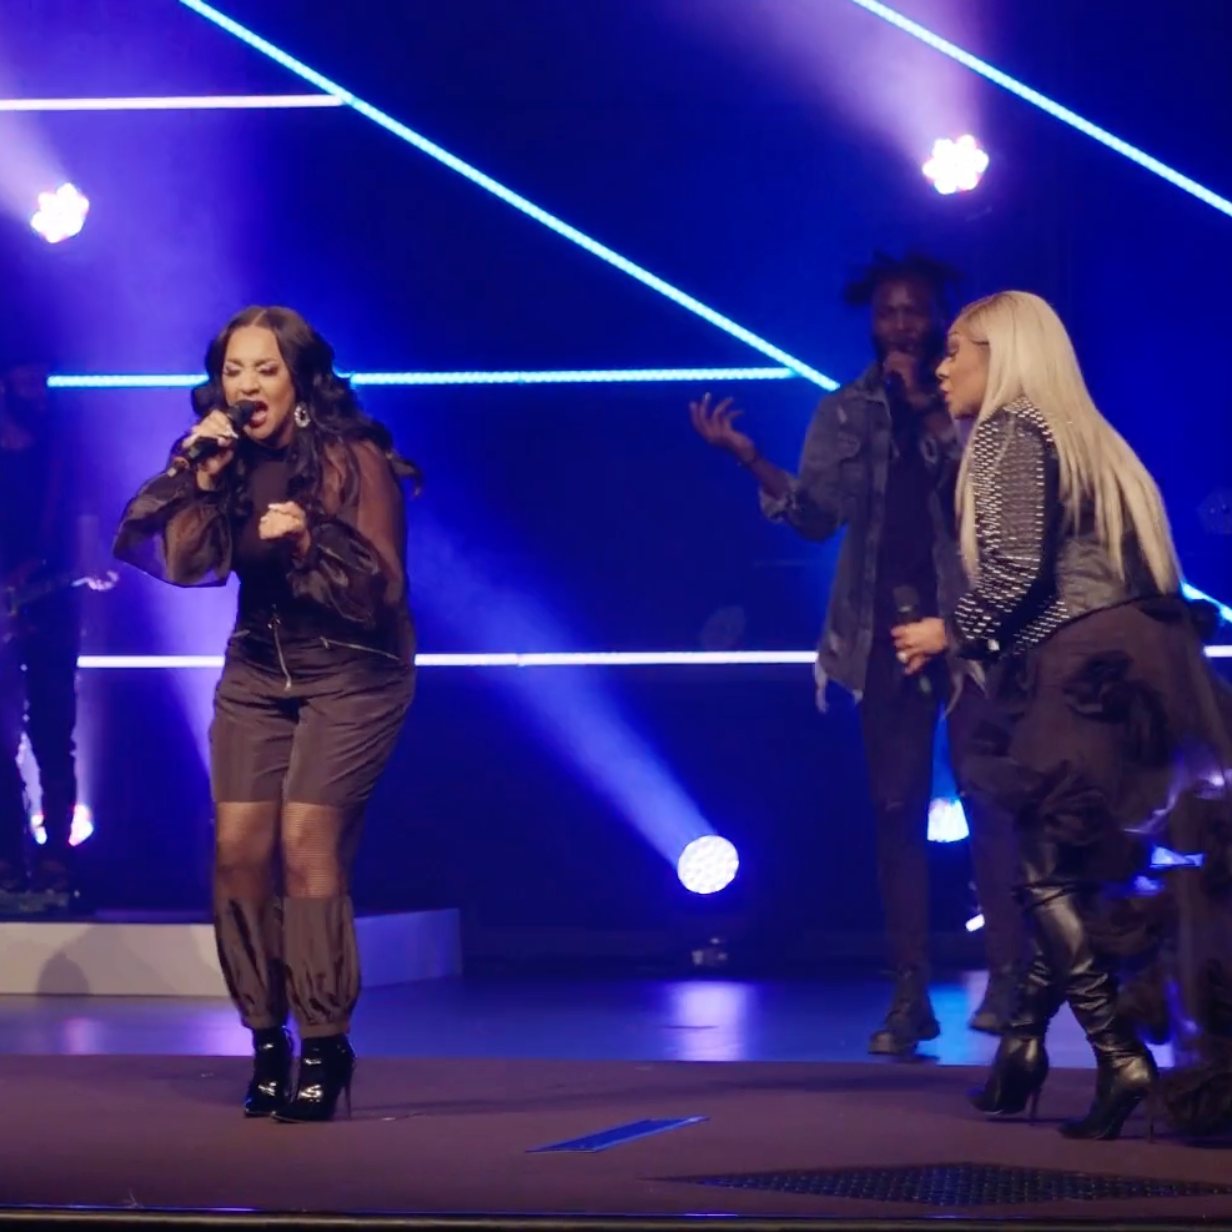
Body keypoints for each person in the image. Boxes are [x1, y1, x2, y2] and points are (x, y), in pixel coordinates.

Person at [894, 289, 1232, 1141]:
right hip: (1140, 659)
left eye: (957, 349)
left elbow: (1013, 576)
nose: (941, 365)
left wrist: (950, 630)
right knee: (1064, 870)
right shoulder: (1090, 439)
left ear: (1000, 356)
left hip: (1088, 665)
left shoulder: (1011, 431)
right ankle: (1022, 1053)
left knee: (1047, 873)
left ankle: (1119, 1058)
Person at [691, 252, 1023, 1055]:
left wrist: (929, 412)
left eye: (915, 312)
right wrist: (749, 459)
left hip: (970, 624)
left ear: (942, 318)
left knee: (988, 795)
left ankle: (1012, 975)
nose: (902, 326)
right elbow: (815, 516)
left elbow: (984, 498)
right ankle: (910, 991)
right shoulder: (846, 411)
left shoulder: (975, 406)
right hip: (880, 629)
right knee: (895, 807)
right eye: (889, 314)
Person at [114, 306, 419, 1123]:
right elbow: (175, 557)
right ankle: (265, 1037)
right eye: (233, 371)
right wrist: (199, 482)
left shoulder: (354, 460)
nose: (246, 387)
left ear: (301, 380)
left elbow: (382, 588)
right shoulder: (223, 459)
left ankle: (325, 1040)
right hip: (257, 669)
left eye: (264, 370)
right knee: (239, 852)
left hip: (354, 670)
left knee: (304, 842)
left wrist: (311, 539)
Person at [0, 346, 82, 901]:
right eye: (24, 378)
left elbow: (82, 518)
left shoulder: (62, 449)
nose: (35, 389)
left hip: (50, 602)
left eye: (40, 378)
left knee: (53, 735)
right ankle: (8, 862)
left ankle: (56, 863)